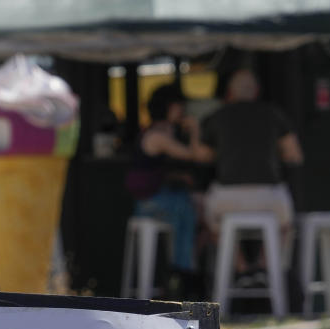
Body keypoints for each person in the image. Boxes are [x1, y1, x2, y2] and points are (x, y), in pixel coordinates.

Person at [202, 69, 303, 274]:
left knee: (213, 225)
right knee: (284, 225)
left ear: (230, 92)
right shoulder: (274, 113)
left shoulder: (217, 116)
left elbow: (202, 156)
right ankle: (266, 268)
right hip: (270, 198)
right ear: (256, 91)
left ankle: (241, 268)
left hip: (227, 198)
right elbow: (294, 155)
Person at [127, 83, 213, 273]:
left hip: (154, 198)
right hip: (149, 203)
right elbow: (194, 155)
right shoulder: (157, 135)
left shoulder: (162, 132)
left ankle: (186, 266)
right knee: (190, 209)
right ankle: (183, 270)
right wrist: (195, 129)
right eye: (178, 106)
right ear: (167, 107)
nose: (182, 111)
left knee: (202, 211)